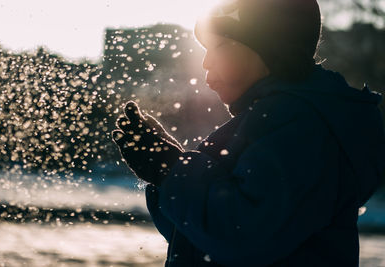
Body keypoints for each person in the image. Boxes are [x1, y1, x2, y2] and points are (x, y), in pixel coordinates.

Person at [111, 0, 385, 266]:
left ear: (271, 48)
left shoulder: (303, 126)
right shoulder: (273, 122)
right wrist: (166, 168)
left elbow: (241, 235)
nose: (205, 62)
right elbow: (197, 237)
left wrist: (170, 169)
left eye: (218, 44)